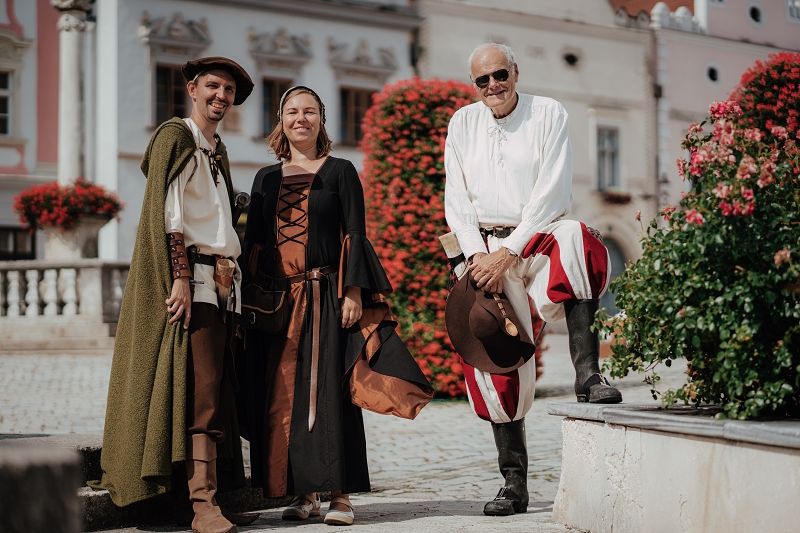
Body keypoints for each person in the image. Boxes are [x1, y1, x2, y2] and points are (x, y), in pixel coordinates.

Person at [444, 43, 623, 517]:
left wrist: (509, 251)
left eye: (499, 75)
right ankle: (514, 483)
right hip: (483, 250)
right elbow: (456, 200)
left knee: (576, 239)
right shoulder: (462, 123)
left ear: (516, 72)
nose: (492, 87)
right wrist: (480, 257)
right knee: (493, 359)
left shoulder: (548, 114)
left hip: (532, 243)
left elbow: (553, 192)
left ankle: (588, 374)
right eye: (482, 80)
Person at [237, 85, 421, 527]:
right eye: (292, 111)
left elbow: (354, 233)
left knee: (330, 394)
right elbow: (256, 244)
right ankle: (303, 495)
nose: (301, 118)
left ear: (321, 119)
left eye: (310, 111)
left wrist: (353, 292)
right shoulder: (265, 178)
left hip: (326, 295)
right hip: (281, 303)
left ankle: (339, 496)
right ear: (280, 120)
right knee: (284, 397)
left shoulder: (341, 171)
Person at [90, 56, 258, 533]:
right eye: (212, 86)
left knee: (216, 390)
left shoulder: (216, 149)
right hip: (197, 282)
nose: (220, 96)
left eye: (228, 90)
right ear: (192, 88)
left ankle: (208, 494)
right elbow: (169, 216)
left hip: (225, 286)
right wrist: (180, 277)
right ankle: (203, 505)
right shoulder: (177, 137)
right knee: (204, 392)